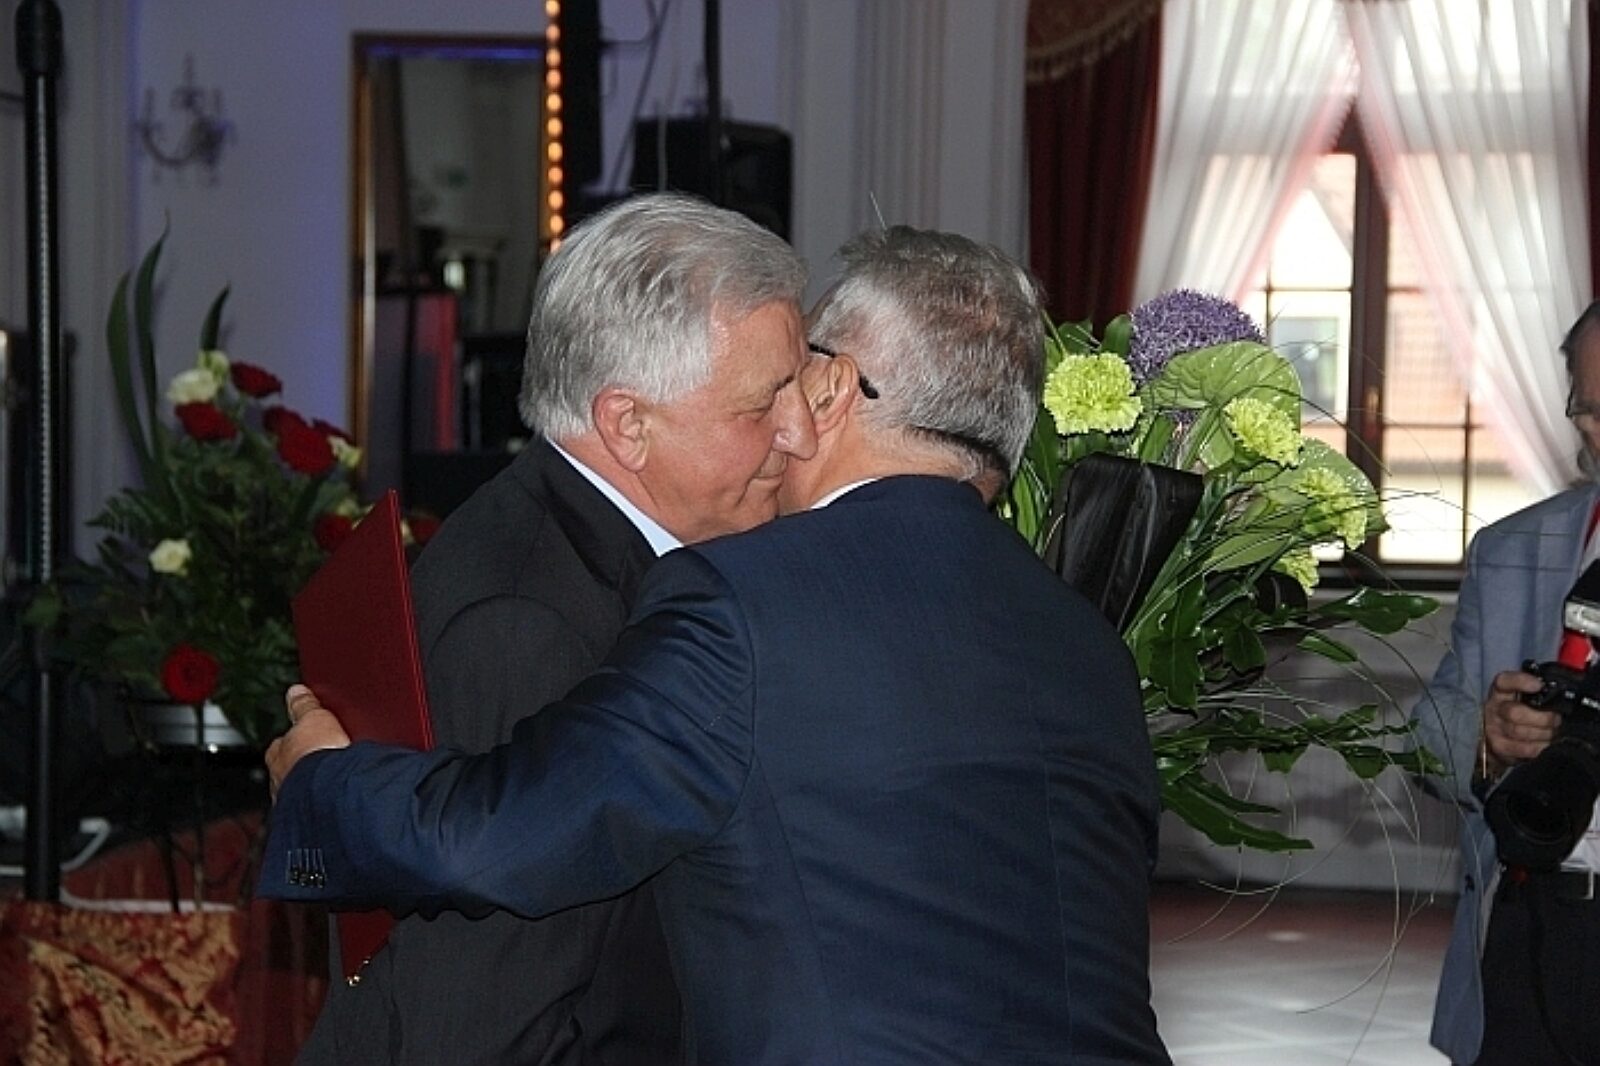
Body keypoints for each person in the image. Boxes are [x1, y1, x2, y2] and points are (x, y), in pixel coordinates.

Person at [263, 226, 1171, 1065]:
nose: (788, 424)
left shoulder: (750, 603)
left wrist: (319, 789)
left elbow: (494, 838)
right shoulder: (1090, 647)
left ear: (834, 386)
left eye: (794, 378)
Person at [297, 192, 816, 1065]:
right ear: (628, 424)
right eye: (764, 402)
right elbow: (484, 1030)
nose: (798, 433)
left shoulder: (592, 545)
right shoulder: (524, 625)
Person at [1411, 301, 1600, 1065]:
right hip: (1528, 928)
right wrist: (1487, 741)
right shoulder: (1513, 548)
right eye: (1593, 411)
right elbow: (1425, 737)